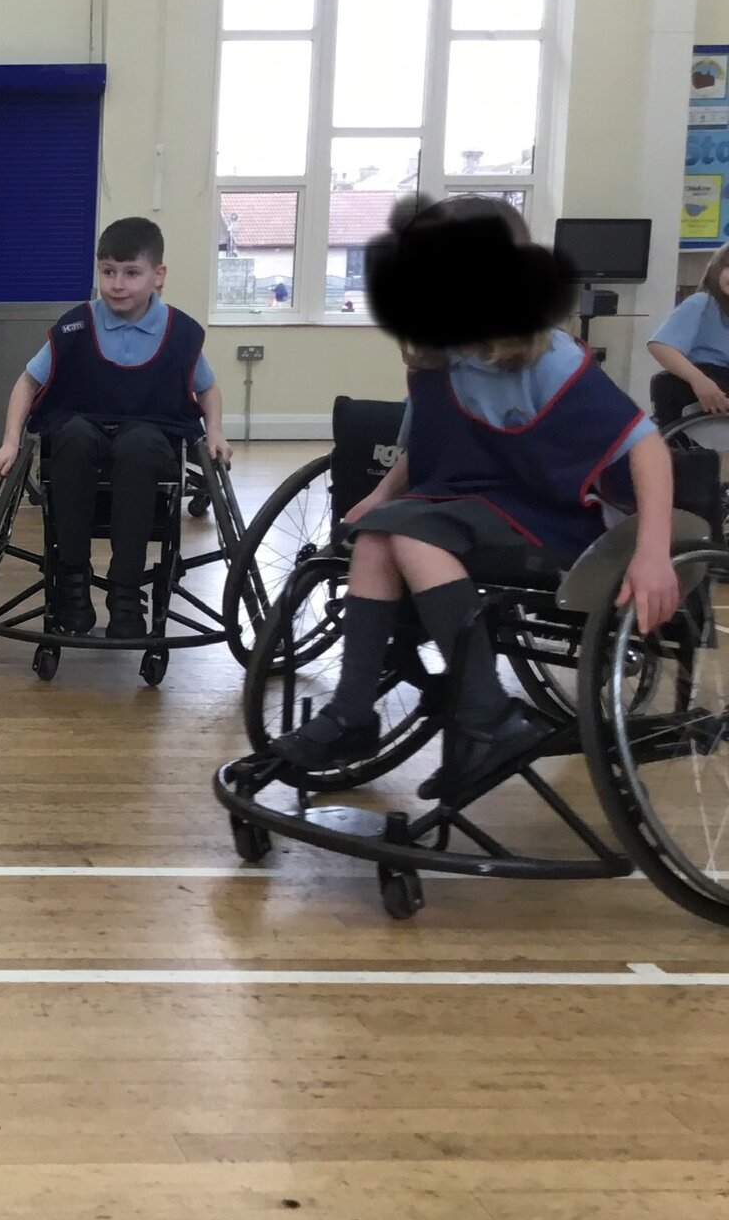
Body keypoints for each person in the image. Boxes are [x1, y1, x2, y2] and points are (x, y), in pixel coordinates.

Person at [272, 195, 680, 795]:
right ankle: (352, 712)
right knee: (378, 534)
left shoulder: (549, 356)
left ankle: (488, 717)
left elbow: (646, 447)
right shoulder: (437, 354)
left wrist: (652, 554)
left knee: (410, 533)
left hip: (555, 517)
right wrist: (380, 495)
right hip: (472, 506)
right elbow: (426, 444)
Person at [0, 217, 231, 640]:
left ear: (158, 276)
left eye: (132, 273)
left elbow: (207, 389)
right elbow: (27, 382)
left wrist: (215, 432)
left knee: (138, 446)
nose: (118, 284)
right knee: (73, 437)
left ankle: (125, 590)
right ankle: (73, 580)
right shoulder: (76, 326)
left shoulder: (180, 332)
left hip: (149, 436)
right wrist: (11, 442)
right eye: (108, 272)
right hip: (83, 431)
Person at [645, 240, 729, 425]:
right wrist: (700, 381)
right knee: (666, 383)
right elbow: (661, 346)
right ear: (716, 270)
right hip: (704, 375)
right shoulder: (703, 303)